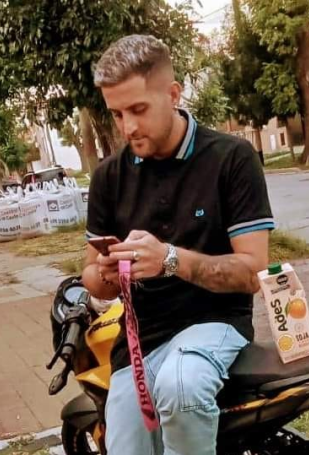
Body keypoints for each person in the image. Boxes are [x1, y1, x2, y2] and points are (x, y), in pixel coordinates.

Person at [82, 35, 275, 455]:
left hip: (215, 323)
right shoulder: (108, 178)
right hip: (139, 344)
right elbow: (92, 278)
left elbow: (253, 272)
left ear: (173, 95)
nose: (128, 127)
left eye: (138, 110)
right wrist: (107, 275)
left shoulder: (231, 158)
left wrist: (169, 260)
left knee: (180, 385)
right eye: (117, 114)